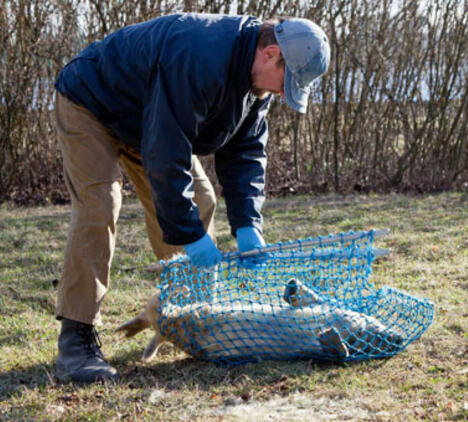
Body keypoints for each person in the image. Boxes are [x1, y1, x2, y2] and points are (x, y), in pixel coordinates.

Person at [52, 13, 330, 383]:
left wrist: (248, 224)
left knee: (198, 199)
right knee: (100, 205)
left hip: (146, 120)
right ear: (270, 53)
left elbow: (245, 152)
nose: (284, 93)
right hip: (92, 102)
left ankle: (191, 319)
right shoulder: (199, 55)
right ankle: (76, 341)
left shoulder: (258, 85)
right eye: (288, 82)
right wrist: (191, 238)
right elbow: (166, 153)